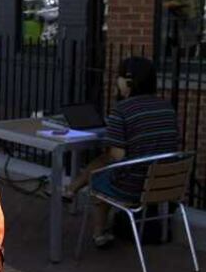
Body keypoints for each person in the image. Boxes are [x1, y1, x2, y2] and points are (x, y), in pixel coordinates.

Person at [65, 56, 178, 248]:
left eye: (118, 77)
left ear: (128, 81)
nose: (115, 81)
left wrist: (110, 140)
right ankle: (71, 190)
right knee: (107, 167)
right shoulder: (167, 107)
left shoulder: (122, 110)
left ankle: (98, 232)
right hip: (166, 185)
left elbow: (116, 157)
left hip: (133, 187)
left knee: (101, 174)